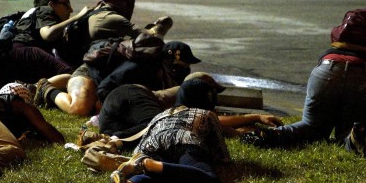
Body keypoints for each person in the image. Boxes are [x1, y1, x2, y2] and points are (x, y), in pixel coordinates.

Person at [241, 9, 366, 158]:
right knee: (346, 132)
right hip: (362, 74)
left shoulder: (340, 44)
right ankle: (354, 137)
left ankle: (272, 134)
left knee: (311, 126)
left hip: (326, 68)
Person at [35, 0, 173, 116]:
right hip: (90, 70)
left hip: (109, 71)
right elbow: (153, 37)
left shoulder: (102, 11)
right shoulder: (109, 18)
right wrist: (163, 25)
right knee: (79, 109)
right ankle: (46, 90)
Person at [108, 78, 230, 183]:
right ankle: (149, 164)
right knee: (212, 182)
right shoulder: (207, 113)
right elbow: (223, 155)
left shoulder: (161, 114)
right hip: (185, 142)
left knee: (164, 178)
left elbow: (147, 133)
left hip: (149, 147)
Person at [99, 73, 283, 140]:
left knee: (162, 125)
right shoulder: (163, 109)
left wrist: (253, 118)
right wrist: (242, 128)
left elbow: (203, 119)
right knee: (161, 126)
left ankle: (113, 137)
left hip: (120, 118)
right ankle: (111, 139)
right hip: (129, 98)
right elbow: (203, 120)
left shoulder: (171, 106)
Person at [0, 0, 91, 90]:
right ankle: (34, 90)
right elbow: (47, 34)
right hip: (26, 50)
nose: (71, 9)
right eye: (66, 4)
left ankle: (29, 88)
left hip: (14, 53)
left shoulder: (32, 14)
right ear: (51, 4)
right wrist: (78, 16)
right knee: (73, 75)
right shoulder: (44, 10)